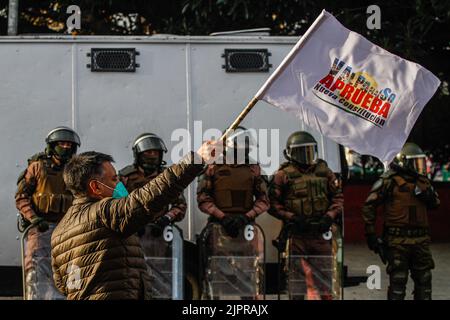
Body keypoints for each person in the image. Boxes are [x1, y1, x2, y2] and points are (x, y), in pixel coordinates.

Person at [50, 141, 216, 300]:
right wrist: (195, 160)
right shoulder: (103, 212)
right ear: (96, 187)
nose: (119, 184)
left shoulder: (58, 233)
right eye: (114, 179)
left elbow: (61, 285)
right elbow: (147, 198)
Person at [268, 131, 343, 300]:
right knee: (297, 283)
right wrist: (291, 217)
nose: (306, 156)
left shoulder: (324, 172)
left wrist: (329, 216)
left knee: (326, 280)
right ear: (290, 153)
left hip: (320, 233)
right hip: (297, 235)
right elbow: (272, 204)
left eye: (309, 151)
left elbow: (338, 198)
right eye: (301, 152)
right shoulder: (283, 175)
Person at [197, 127, 269, 299]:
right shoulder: (213, 166)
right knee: (214, 277)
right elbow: (203, 198)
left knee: (249, 277)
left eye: (246, 146)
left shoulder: (253, 168)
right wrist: (223, 217)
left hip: (246, 229)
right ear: (230, 146)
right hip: (218, 229)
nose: (245, 149)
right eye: (241, 146)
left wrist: (247, 217)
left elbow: (264, 199)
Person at [362, 142, 440, 300]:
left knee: (424, 282)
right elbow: (369, 205)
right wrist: (370, 234)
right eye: (415, 162)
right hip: (397, 240)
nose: (419, 166)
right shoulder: (389, 181)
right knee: (398, 282)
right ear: (404, 162)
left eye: (420, 162)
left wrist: (426, 194)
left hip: (420, 240)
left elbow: (436, 204)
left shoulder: (423, 182)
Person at [15, 126, 80, 299]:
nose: (66, 147)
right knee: (36, 272)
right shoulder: (37, 167)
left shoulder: (77, 171)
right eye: (62, 143)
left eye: (69, 144)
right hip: (41, 229)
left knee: (72, 272)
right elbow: (22, 197)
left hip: (69, 231)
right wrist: (33, 218)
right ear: (52, 145)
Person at [119, 133, 186, 237]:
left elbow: (180, 205)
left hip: (162, 232)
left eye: (156, 152)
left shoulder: (168, 177)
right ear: (139, 154)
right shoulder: (124, 177)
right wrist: (131, 222)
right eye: (148, 152)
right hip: (131, 231)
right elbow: (116, 206)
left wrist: (166, 219)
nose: (152, 155)